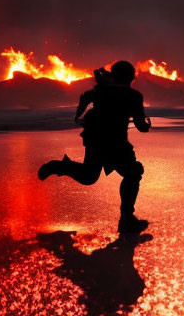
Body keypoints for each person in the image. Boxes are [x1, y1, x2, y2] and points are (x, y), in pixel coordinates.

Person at [38, 60, 152, 234]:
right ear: (130, 77)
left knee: (89, 176)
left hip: (96, 138)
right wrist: (146, 124)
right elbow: (141, 127)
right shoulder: (134, 96)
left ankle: (59, 166)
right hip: (115, 142)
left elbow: (85, 97)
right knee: (132, 172)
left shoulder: (101, 91)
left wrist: (78, 114)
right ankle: (126, 219)